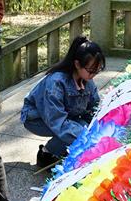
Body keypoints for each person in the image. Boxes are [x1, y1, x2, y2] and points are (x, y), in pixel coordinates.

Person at [21, 36, 105, 168]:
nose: (94, 74)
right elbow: (57, 121)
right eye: (91, 70)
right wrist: (86, 136)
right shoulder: (56, 82)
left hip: (63, 116)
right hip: (37, 118)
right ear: (77, 64)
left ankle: (64, 149)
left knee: (86, 129)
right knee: (77, 133)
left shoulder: (87, 80)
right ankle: (46, 154)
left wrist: (98, 128)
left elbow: (93, 108)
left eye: (98, 70)